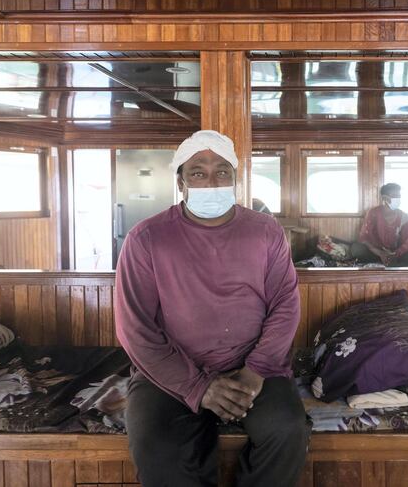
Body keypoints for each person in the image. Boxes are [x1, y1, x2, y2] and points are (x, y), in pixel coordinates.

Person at [115, 130, 309, 487]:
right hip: (170, 373)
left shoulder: (266, 231)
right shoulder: (146, 238)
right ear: (180, 181)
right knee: (156, 447)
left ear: (236, 178)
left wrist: (256, 370)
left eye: (222, 171)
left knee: (287, 430)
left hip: (254, 367)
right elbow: (134, 328)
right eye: (198, 172)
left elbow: (285, 304)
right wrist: (199, 387)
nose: (211, 180)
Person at [351, 182, 408, 266]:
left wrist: (393, 254)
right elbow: (364, 237)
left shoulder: (404, 216)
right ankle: (384, 261)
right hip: (374, 251)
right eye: (394, 196)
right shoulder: (373, 213)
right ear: (384, 198)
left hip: (394, 252)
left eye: (399, 196)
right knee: (357, 249)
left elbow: (407, 242)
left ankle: (388, 261)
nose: (398, 198)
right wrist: (380, 253)